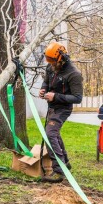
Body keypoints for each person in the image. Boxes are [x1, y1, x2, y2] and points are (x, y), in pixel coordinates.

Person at [38, 41, 83, 182]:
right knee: (54, 134)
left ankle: (59, 171)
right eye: (48, 60)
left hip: (63, 109)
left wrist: (56, 96)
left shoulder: (74, 74)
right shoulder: (50, 67)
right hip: (52, 107)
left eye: (52, 61)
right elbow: (46, 81)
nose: (50, 64)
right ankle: (66, 163)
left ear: (61, 58)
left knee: (50, 134)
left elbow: (77, 98)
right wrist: (43, 89)